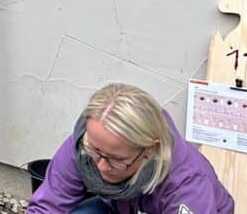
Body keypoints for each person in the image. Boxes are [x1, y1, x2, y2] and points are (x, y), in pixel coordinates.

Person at [28, 82, 234, 214]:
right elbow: (48, 206)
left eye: (115, 160)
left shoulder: (188, 185)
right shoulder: (86, 143)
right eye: (95, 152)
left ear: (149, 150)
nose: (101, 166)